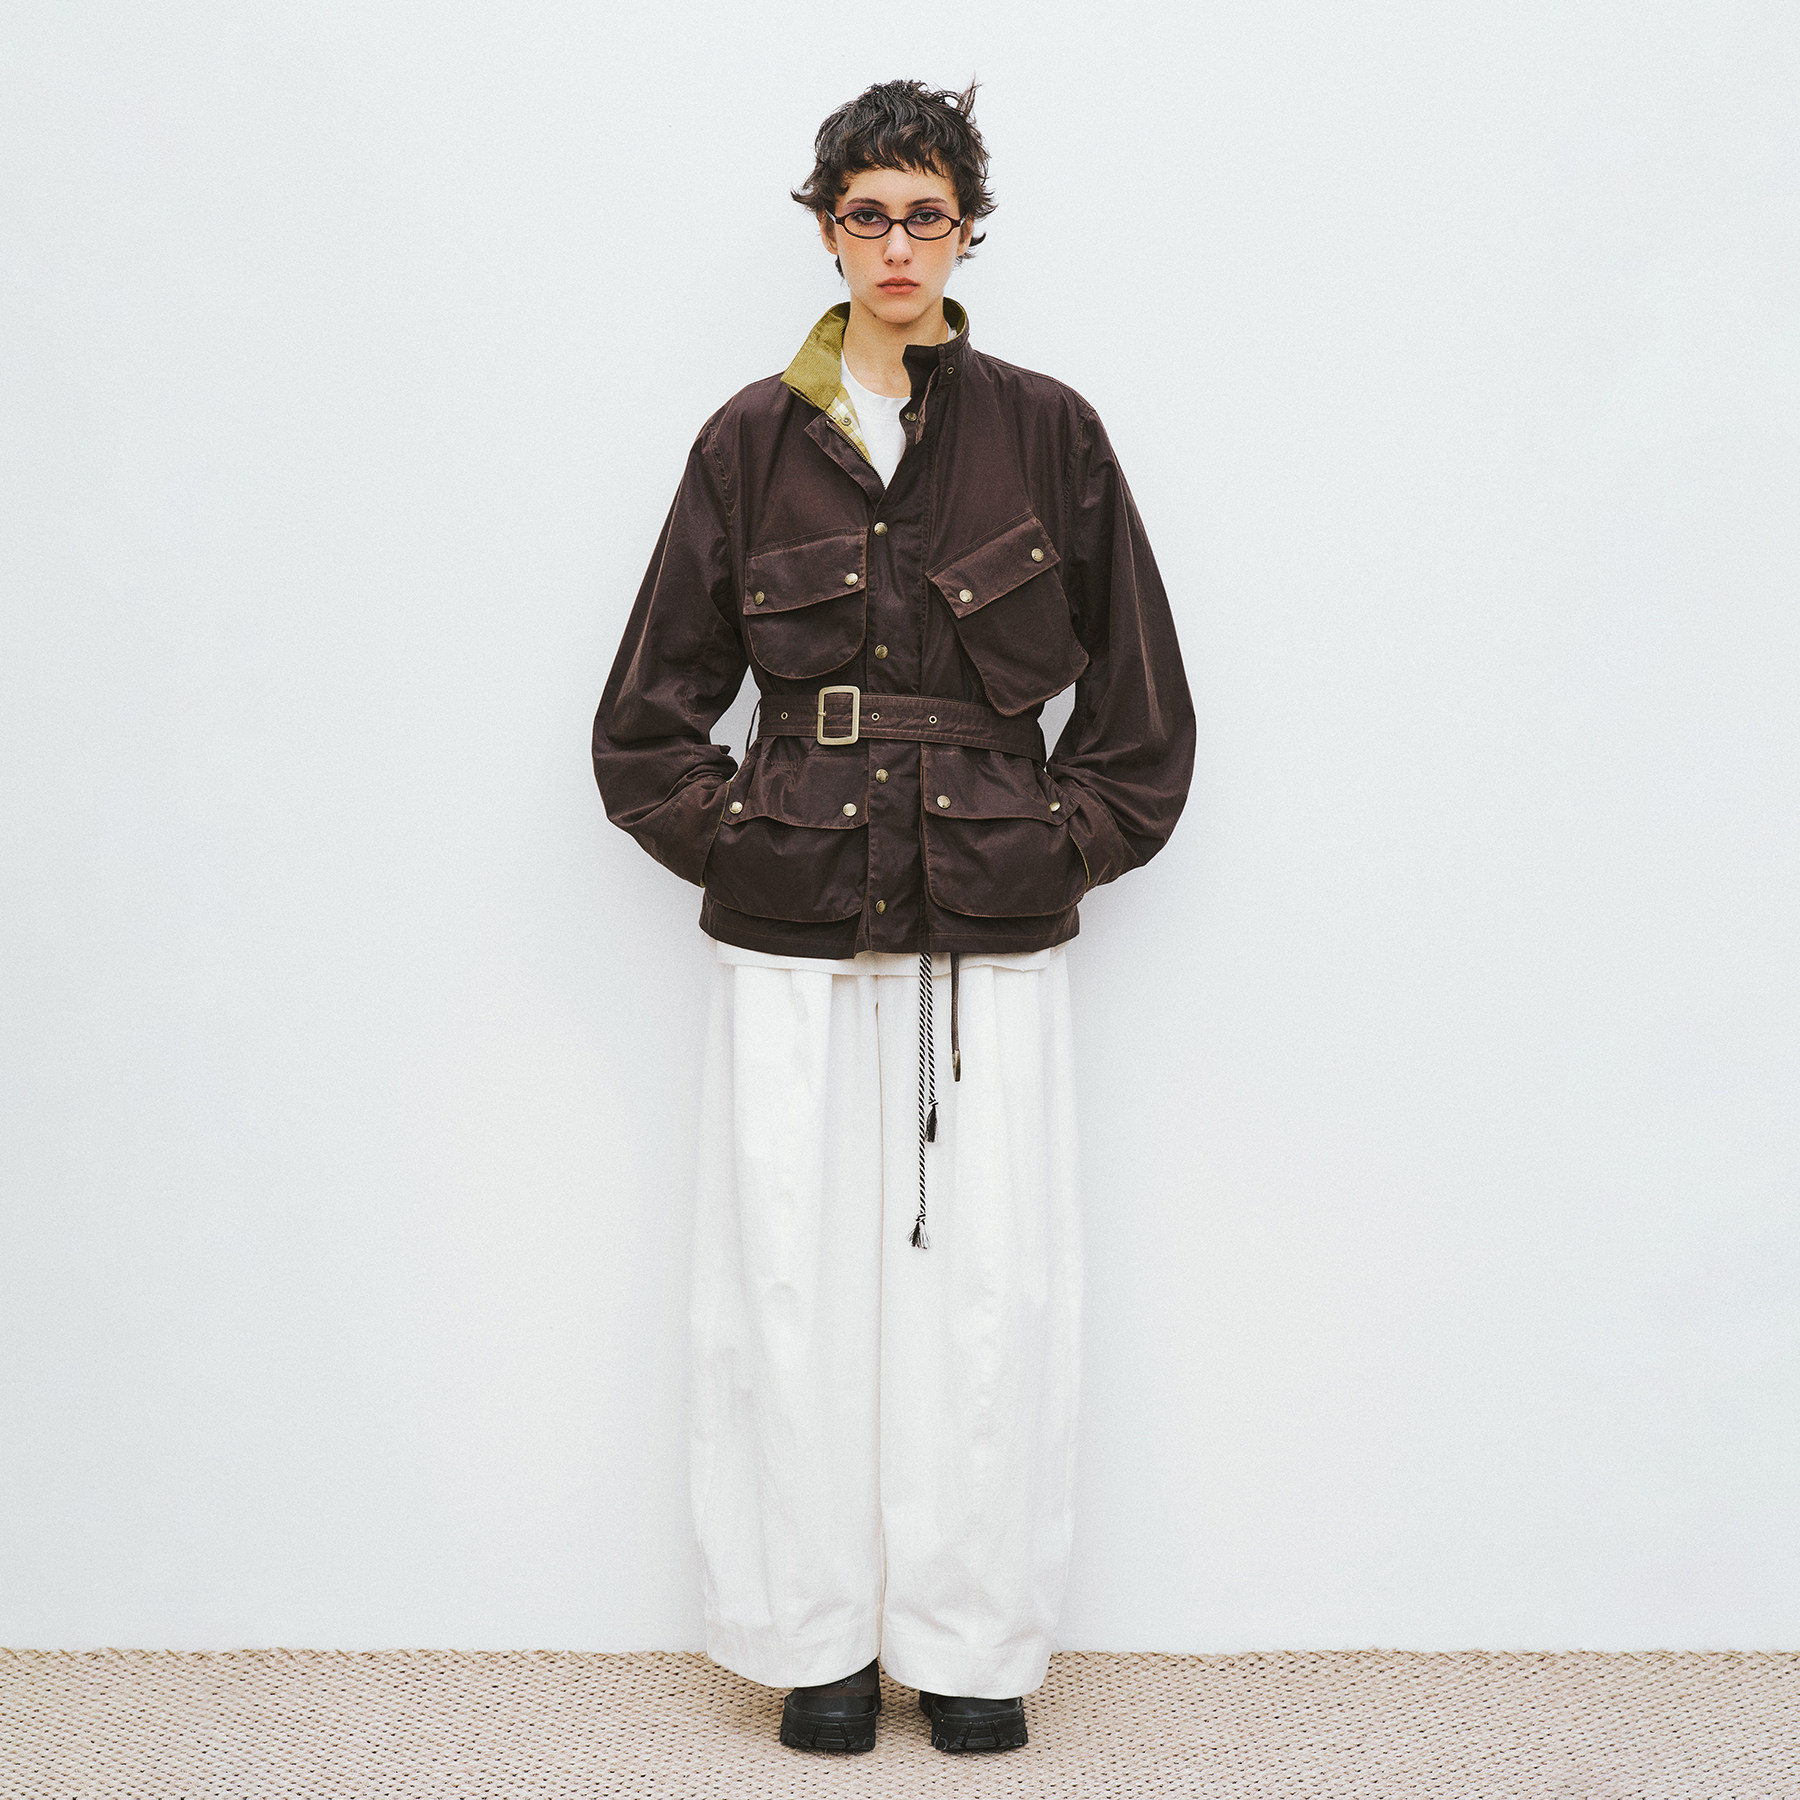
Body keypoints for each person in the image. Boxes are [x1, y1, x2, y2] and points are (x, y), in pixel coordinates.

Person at [592, 78, 1195, 1754]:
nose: (899, 246)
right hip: (792, 922)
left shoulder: (1050, 434)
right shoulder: (746, 443)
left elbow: (1143, 722)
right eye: (869, 214)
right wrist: (747, 840)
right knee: (787, 1285)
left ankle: (974, 1646)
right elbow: (643, 728)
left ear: (969, 230)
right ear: (828, 230)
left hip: (987, 927)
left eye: (928, 214)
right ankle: (817, 1648)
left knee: (988, 1297)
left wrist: (1050, 844)